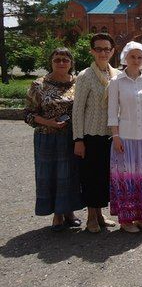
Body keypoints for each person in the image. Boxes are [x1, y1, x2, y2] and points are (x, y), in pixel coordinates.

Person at [25, 47, 82, 231]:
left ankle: (69, 212)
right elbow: (28, 114)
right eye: (57, 59)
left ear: (71, 63)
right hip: (47, 137)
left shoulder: (78, 82)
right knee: (50, 175)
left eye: (65, 60)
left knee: (71, 175)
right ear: (51, 62)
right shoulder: (39, 85)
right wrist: (48, 122)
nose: (61, 63)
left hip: (72, 137)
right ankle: (57, 215)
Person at [108, 41, 142, 233]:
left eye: (140, 57)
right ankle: (127, 219)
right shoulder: (116, 81)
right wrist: (115, 136)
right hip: (125, 136)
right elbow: (112, 112)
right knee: (127, 178)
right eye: (133, 56)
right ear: (125, 57)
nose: (136, 60)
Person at [72, 33, 118, 233]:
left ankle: (100, 214)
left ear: (112, 51)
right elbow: (77, 110)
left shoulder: (116, 75)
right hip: (91, 136)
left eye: (107, 49)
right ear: (92, 51)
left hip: (111, 135)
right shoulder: (85, 76)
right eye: (99, 49)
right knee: (91, 176)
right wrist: (78, 139)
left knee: (104, 177)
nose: (103, 53)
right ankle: (91, 216)